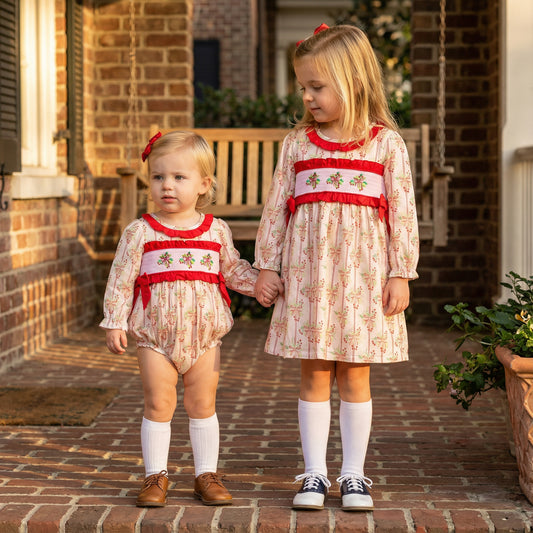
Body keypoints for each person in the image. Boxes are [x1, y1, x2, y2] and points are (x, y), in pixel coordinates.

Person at [254, 24, 419, 511]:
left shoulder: (385, 145)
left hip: (363, 280)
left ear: (352, 80)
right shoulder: (298, 146)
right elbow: (276, 207)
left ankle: (353, 475)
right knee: (314, 374)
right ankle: (313, 475)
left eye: (317, 87)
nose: (307, 97)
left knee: (355, 376)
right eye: (303, 87)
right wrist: (266, 264)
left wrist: (400, 272)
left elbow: (403, 213)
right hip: (309, 281)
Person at [100, 130, 279, 508]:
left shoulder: (215, 230)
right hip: (155, 337)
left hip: (204, 338)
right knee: (158, 403)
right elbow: (121, 278)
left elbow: (233, 270)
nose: (167, 186)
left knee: (202, 404)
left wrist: (262, 284)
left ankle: (205, 474)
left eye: (179, 178)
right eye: (159, 177)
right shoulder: (140, 232)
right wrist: (114, 320)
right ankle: (156, 475)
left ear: (203, 184)